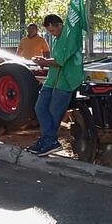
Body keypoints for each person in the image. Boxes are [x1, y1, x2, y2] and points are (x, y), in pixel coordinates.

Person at [28, 14, 84, 157]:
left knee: (54, 113)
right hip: (52, 79)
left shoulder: (70, 37)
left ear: (59, 25)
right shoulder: (57, 39)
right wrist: (44, 60)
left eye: (53, 31)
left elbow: (61, 61)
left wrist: (44, 62)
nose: (52, 34)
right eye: (50, 32)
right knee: (40, 108)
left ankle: (50, 141)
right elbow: (56, 59)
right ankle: (48, 139)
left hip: (65, 81)